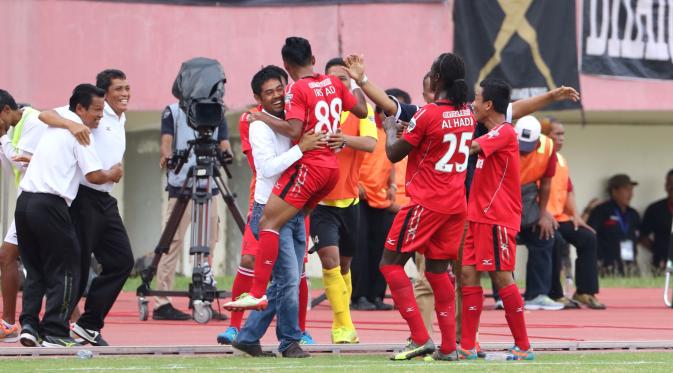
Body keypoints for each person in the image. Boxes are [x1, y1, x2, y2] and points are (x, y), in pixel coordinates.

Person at [224, 37, 367, 311]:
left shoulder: (297, 90)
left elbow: (292, 131)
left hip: (311, 168)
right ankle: (286, 324)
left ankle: (257, 293)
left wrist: (261, 116)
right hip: (332, 170)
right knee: (297, 219)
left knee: (267, 223)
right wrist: (359, 81)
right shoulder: (334, 82)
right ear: (313, 59)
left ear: (286, 66)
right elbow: (361, 110)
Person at [377, 53, 473, 361]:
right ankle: (448, 347)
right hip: (456, 204)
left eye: (431, 73)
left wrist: (390, 127)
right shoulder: (468, 113)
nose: (428, 77)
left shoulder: (429, 113)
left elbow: (393, 154)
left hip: (426, 202)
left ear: (438, 80)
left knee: (389, 264)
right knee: (437, 271)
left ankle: (420, 337)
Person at [15, 84, 123, 347]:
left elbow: (44, 114)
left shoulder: (61, 120)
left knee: (35, 268)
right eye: (96, 110)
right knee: (68, 269)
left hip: (25, 202)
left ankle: (29, 325)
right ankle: (54, 331)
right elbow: (93, 175)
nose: (100, 116)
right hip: (50, 204)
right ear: (80, 109)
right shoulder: (80, 132)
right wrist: (112, 173)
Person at [231, 66, 325, 358]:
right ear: (258, 98)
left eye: (279, 89)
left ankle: (248, 336)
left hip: (294, 208)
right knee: (288, 279)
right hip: (270, 210)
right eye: (268, 92)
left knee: (290, 279)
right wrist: (302, 148)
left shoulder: (293, 120)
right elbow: (266, 168)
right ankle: (289, 341)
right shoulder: (259, 125)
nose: (276, 96)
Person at [38, 69, 135, 344]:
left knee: (122, 261)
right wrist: (72, 125)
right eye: (118, 89)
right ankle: (52, 329)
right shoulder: (90, 114)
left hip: (105, 199)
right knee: (77, 267)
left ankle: (88, 324)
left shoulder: (119, 118)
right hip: (83, 197)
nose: (125, 93)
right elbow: (44, 114)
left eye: (127, 88)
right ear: (104, 93)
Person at [459, 78, 533, 361]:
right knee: (467, 274)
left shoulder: (505, 132)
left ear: (488, 105)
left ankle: (524, 345)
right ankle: (468, 345)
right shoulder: (490, 131)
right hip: (476, 216)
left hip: (496, 218)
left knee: (502, 277)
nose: (471, 103)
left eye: (476, 98)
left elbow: (471, 147)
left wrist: (437, 136)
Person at [307, 57, 377, 343]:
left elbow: (372, 144)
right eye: (334, 79)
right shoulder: (316, 109)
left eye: (344, 80)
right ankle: (343, 327)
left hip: (350, 202)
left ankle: (342, 319)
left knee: (345, 266)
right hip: (321, 203)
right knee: (330, 261)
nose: (338, 84)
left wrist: (344, 139)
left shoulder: (363, 112)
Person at [155, 71, 231, 320]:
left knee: (208, 241)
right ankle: (161, 301)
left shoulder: (217, 110)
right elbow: (166, 141)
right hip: (181, 185)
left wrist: (226, 153)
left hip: (208, 184)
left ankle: (204, 294)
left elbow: (224, 141)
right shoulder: (173, 111)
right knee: (172, 242)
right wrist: (166, 156)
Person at [351, 88, 411, 312]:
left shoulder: (393, 135)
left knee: (382, 248)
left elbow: (392, 163)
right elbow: (350, 159)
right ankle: (359, 296)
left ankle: (377, 295)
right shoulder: (365, 130)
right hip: (362, 197)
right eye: (387, 113)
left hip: (384, 197)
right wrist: (355, 184)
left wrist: (394, 185)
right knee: (361, 249)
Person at [0, 90, 47, 342]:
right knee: (8, 256)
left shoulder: (34, 121)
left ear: (6, 110)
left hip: (43, 201)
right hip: (26, 202)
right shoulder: (10, 130)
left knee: (50, 264)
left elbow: (20, 162)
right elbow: (8, 168)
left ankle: (72, 323)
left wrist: (4, 139)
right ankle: (7, 324)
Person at [543, 118, 604, 309]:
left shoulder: (561, 160)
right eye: (557, 134)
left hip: (560, 218)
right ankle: (555, 294)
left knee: (588, 237)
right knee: (557, 242)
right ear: (545, 136)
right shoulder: (536, 157)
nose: (561, 138)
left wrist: (576, 216)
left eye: (563, 134)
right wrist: (542, 213)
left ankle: (584, 292)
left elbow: (568, 190)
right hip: (541, 218)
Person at [514, 116, 563, 311]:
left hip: (528, 196)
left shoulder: (548, 147)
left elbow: (546, 183)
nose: (524, 150)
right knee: (501, 243)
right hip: (503, 195)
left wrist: (543, 213)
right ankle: (503, 296)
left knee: (545, 236)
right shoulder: (503, 140)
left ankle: (537, 295)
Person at [588, 174, 640, 276]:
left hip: (630, 265)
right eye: (626, 190)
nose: (630, 194)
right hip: (607, 265)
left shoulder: (634, 214)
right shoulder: (601, 210)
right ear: (614, 191)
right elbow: (590, 234)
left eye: (631, 190)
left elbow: (638, 236)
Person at [639, 169, 673, 272]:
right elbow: (643, 236)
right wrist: (659, 250)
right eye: (669, 183)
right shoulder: (655, 209)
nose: (671, 187)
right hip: (662, 263)